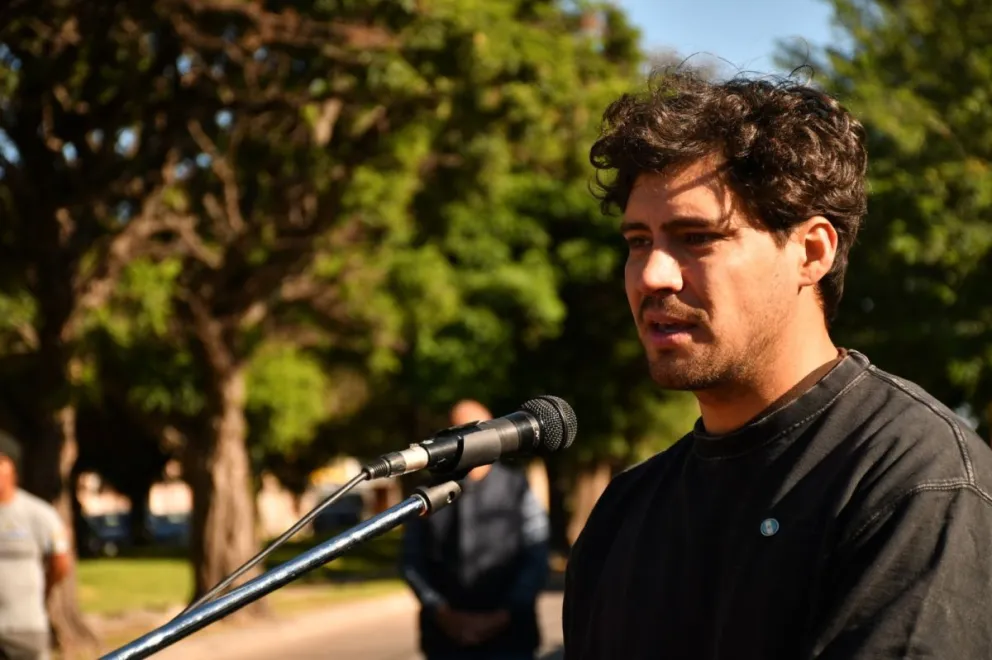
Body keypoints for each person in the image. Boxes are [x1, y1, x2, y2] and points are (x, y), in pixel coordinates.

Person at [562, 69, 992, 659]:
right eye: (639, 240)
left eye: (697, 237)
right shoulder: (625, 514)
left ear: (811, 252)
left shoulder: (912, 479)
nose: (653, 275)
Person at [401, 400, 551, 660]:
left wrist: (502, 615)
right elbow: (411, 559)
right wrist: (443, 613)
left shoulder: (517, 487)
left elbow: (536, 556)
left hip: (511, 639)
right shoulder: (427, 492)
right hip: (445, 640)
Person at [0, 431, 71, 660]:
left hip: (26, 626)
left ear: (13, 467)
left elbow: (60, 563)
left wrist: (44, 588)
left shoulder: (38, 513)